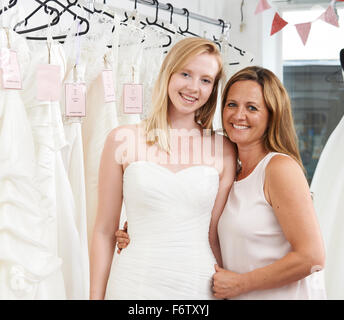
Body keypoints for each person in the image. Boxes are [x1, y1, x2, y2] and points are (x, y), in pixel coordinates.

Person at [116, 66, 327, 300]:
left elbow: (312, 257)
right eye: (232, 104)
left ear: (272, 115)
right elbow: (203, 227)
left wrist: (241, 284)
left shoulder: (278, 168)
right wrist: (140, 230)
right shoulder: (231, 172)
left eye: (252, 108)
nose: (238, 115)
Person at [89, 37, 237, 300]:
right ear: (168, 73)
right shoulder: (123, 138)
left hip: (197, 285)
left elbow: (215, 234)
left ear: (213, 89)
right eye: (186, 74)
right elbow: (103, 231)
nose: (194, 87)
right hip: (133, 283)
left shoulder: (224, 149)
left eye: (206, 80)